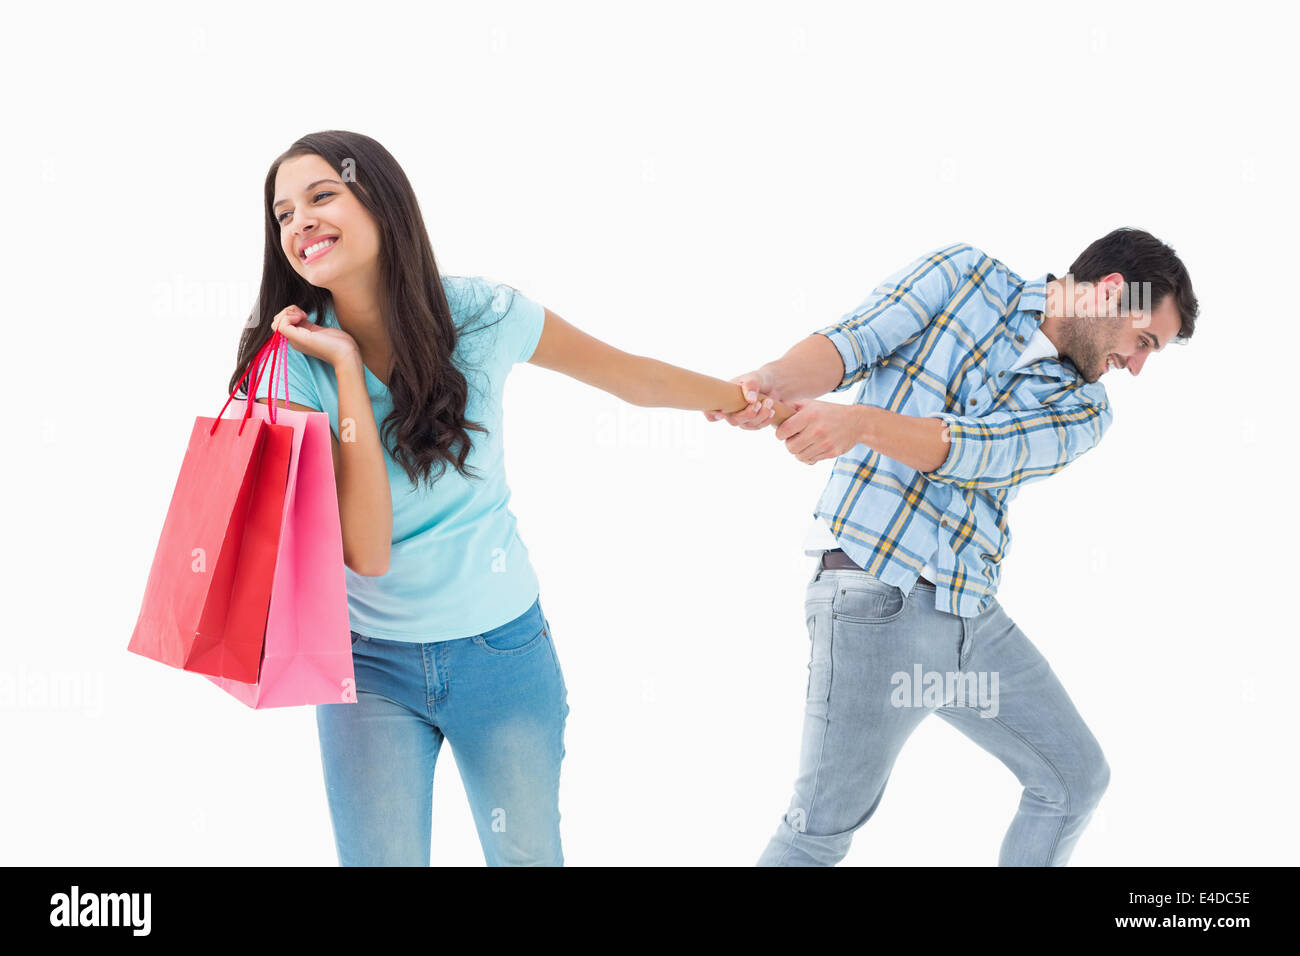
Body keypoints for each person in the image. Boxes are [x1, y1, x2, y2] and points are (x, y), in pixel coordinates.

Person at [237, 130, 775, 866]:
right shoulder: (296, 362)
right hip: (367, 669)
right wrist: (347, 367)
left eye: (321, 196)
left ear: (384, 202)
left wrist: (746, 399)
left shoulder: (482, 316)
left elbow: (628, 377)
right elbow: (364, 549)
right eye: (283, 214)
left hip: (501, 653)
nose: (298, 223)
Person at [705, 231, 1198, 866]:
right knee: (817, 832)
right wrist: (772, 380)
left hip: (971, 625)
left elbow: (979, 450)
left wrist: (858, 425)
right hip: (875, 601)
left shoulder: (1085, 410)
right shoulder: (962, 274)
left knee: (1074, 780)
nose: (1135, 366)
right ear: (1109, 294)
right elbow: (852, 342)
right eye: (1143, 342)